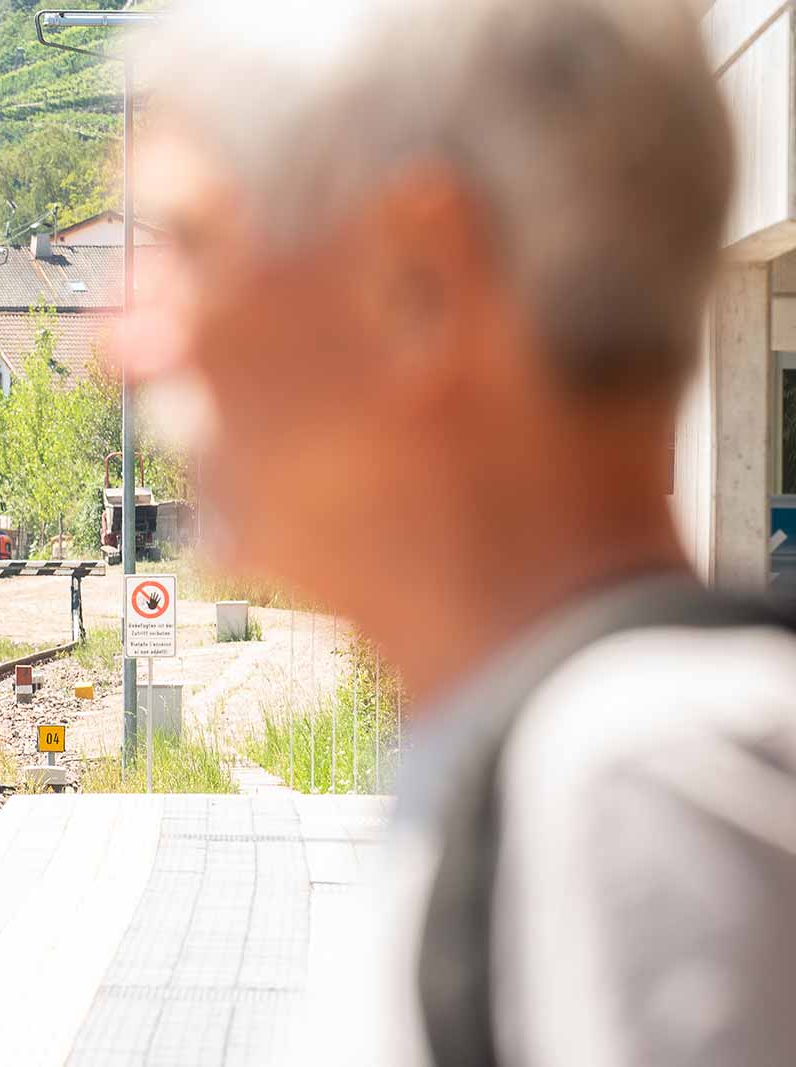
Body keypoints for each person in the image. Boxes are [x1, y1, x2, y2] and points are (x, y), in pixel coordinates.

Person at [135, 1, 796, 1064]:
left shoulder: (639, 791)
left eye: (189, 243)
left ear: (416, 279)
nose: (124, 343)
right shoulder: (563, 764)